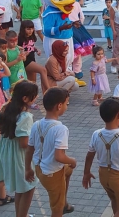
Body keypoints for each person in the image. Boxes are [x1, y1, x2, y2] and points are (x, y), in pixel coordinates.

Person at [26, 88, 76, 217]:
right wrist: (72, 161)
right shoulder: (61, 129)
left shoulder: (36, 124)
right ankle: (61, 205)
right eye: (66, 103)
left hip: (39, 168)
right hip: (53, 173)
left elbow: (30, 149)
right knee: (56, 209)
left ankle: (64, 202)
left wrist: (28, 169)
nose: (67, 106)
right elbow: (59, 156)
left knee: (68, 170)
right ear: (59, 106)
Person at [0, 81, 39, 217]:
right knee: (28, 188)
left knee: (21, 188)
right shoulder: (25, 117)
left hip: (7, 151)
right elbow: (24, 143)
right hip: (20, 156)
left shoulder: (5, 108)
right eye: (34, 96)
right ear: (25, 99)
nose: (36, 98)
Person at [18, 20, 50, 94]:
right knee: (43, 70)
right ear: (23, 29)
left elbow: (31, 46)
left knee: (32, 83)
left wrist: (36, 49)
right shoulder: (19, 38)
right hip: (25, 61)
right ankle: (48, 91)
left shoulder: (31, 37)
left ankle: (31, 100)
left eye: (32, 29)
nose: (30, 31)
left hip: (32, 59)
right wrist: (22, 53)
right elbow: (14, 48)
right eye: (28, 29)